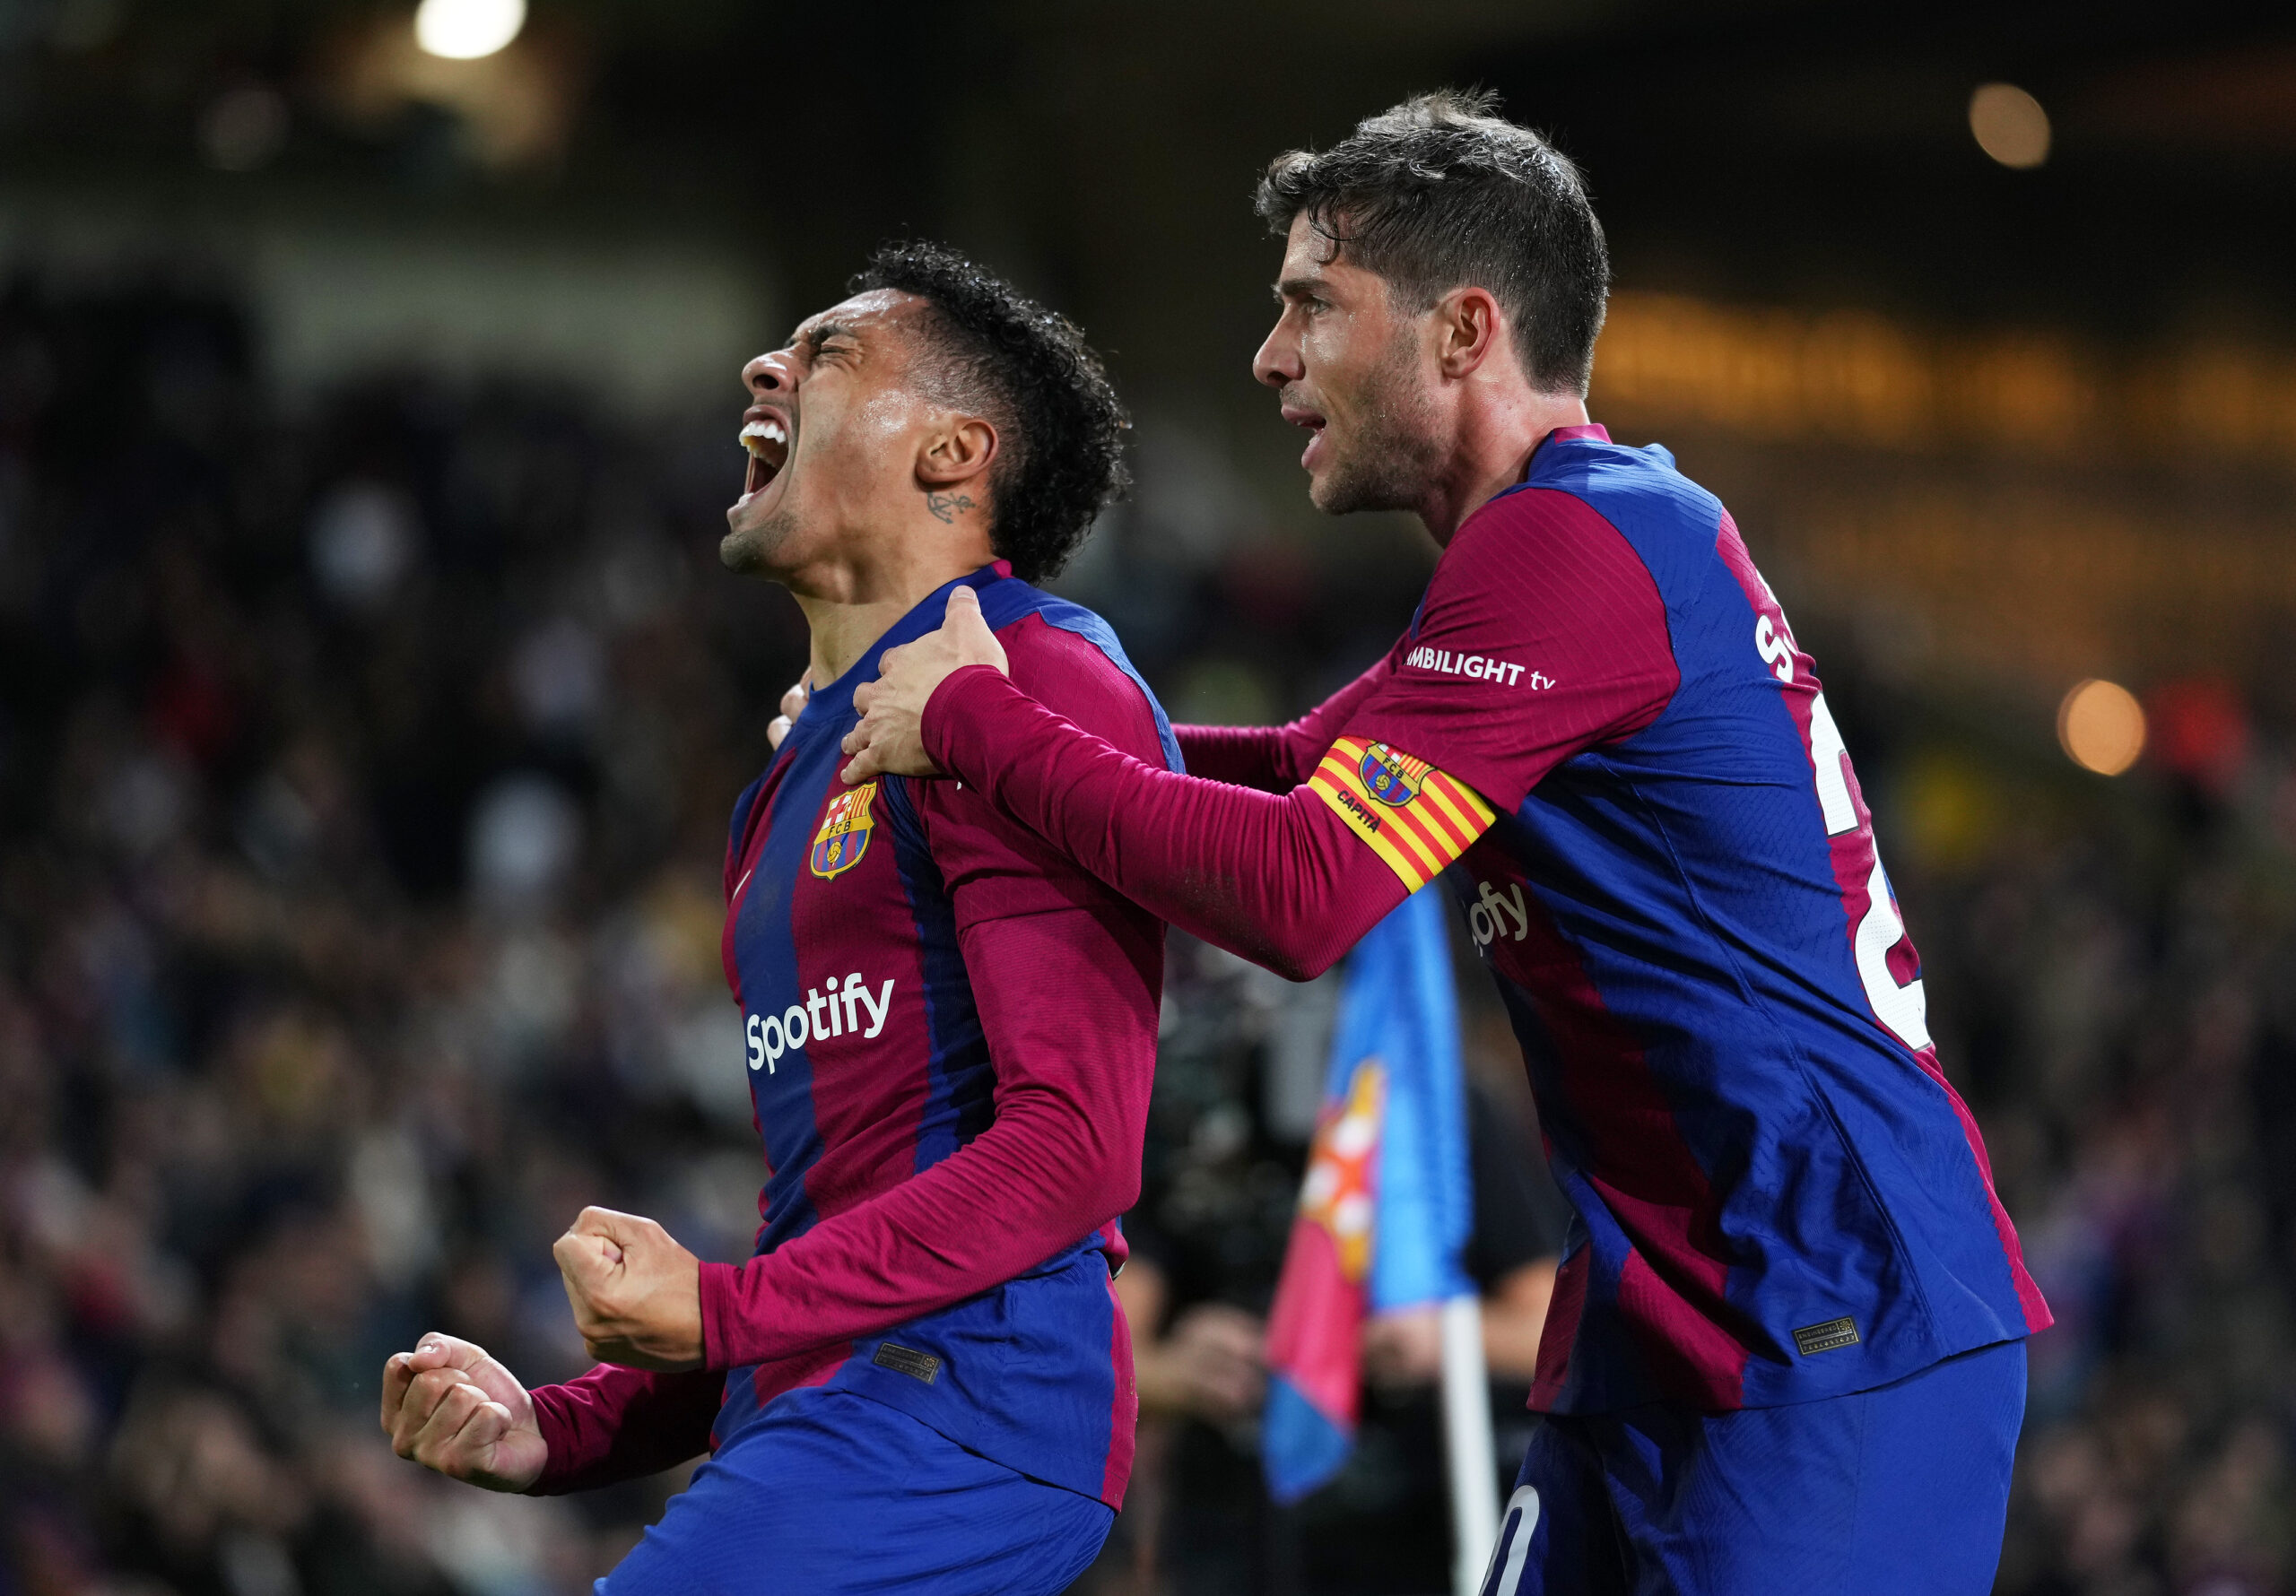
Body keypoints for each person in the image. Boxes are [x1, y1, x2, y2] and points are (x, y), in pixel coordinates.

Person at [836, 94, 2052, 1594]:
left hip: (1831, 1328)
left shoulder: (1574, 547)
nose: (1272, 359)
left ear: (1464, 330)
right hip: (1669, 1330)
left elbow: (1300, 889)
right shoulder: (1571, 540)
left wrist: (974, 728)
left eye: (1310, 308)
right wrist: (967, 715)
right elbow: (1292, 770)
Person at [377, 242, 1180, 1596]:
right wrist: (560, 1431)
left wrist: (716, 1308)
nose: (766, 366)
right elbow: (836, 1230)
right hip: (826, 1415)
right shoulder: (784, 791)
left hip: (962, 1415)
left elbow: (1076, 1150)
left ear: (952, 454)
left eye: (832, 353)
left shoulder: (1027, 680)